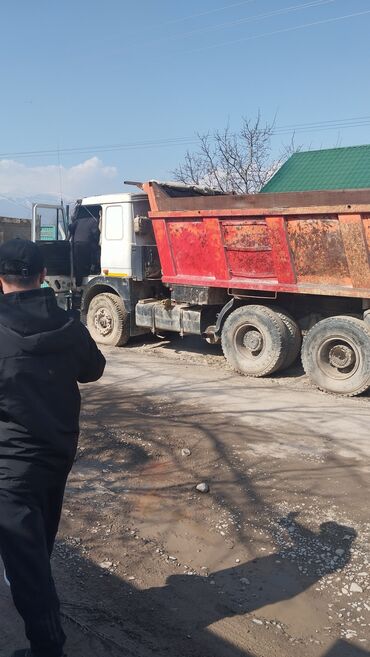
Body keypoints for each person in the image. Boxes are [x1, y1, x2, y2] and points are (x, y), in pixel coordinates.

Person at [0, 239, 106, 657]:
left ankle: (48, 648)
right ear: (43, 276)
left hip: (9, 467)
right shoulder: (68, 325)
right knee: (35, 548)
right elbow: (93, 370)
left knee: (28, 569)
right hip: (57, 455)